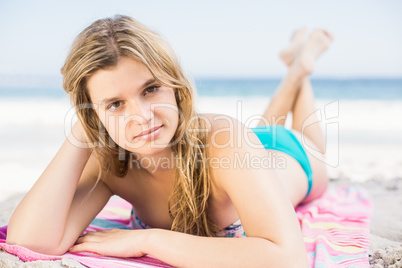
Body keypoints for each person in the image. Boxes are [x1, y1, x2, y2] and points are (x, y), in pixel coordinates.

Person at [6, 15, 333, 267]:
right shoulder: (109, 163)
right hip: (248, 150)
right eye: (115, 104)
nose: (142, 117)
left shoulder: (224, 139)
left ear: (175, 86)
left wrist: (150, 241)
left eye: (150, 89)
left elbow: (288, 260)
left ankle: (299, 71)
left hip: (288, 154)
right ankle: (296, 67)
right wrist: (85, 129)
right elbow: (32, 243)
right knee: (260, 128)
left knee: (312, 140)